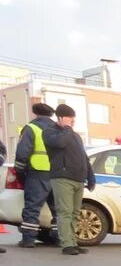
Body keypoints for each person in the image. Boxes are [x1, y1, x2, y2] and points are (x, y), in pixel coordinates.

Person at [44, 104, 96, 256]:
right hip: (62, 177)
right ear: (61, 118)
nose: (72, 123)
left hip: (78, 178)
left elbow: (83, 157)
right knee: (65, 212)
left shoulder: (75, 135)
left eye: (73, 120)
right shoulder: (49, 132)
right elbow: (60, 143)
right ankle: (66, 243)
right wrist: (66, 128)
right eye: (70, 120)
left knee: (75, 212)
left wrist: (90, 176)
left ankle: (73, 241)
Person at [13, 102, 60, 248]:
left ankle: (28, 239)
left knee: (32, 207)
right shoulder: (58, 129)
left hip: (37, 172)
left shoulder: (31, 128)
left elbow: (22, 152)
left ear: (35, 113)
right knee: (58, 209)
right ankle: (59, 238)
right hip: (57, 173)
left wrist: (19, 171)